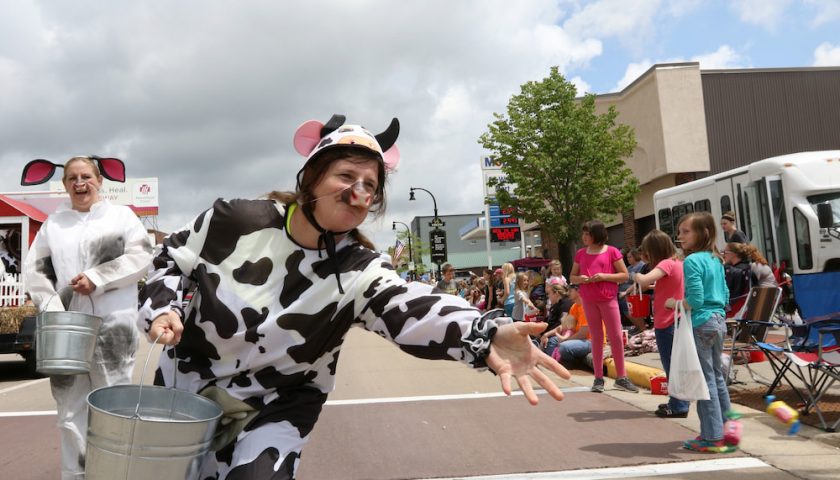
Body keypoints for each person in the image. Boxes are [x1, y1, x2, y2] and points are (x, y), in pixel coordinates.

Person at [137, 115, 571, 479]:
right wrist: (163, 310)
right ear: (310, 179)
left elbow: (409, 305)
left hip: (278, 405)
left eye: (370, 185)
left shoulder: (362, 269)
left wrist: (483, 332)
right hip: (189, 385)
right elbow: (170, 261)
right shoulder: (233, 220)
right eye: (346, 176)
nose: (359, 193)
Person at [22, 155, 154, 479]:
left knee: (113, 404)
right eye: (72, 178)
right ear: (64, 184)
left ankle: (115, 473)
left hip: (113, 325)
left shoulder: (121, 216)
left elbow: (142, 256)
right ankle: (75, 474)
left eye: (86, 176)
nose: (80, 183)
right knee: (69, 409)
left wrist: (98, 277)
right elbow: (34, 269)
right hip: (66, 329)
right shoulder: (55, 223)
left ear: (99, 180)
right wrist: (53, 310)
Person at [667, 212, 739, 453]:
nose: (680, 236)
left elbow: (696, 300)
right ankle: (728, 430)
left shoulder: (692, 261)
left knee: (704, 380)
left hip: (701, 322)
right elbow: (726, 295)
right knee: (717, 377)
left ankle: (711, 436)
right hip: (719, 320)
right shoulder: (716, 259)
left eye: (686, 231)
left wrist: (674, 304)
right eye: (680, 232)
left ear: (703, 233)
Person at [570, 220, 638, 393]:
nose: (584, 237)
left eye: (587, 234)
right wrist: (581, 279)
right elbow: (572, 277)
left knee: (615, 335)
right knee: (597, 337)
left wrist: (603, 276)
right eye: (584, 233)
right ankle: (598, 378)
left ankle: (621, 377)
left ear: (596, 235)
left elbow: (624, 275)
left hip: (608, 299)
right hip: (589, 299)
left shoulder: (612, 251)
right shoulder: (580, 254)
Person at [635, 229, 690, 419]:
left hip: (666, 322)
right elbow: (670, 285)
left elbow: (644, 279)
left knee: (671, 365)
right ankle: (676, 402)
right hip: (677, 320)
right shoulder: (678, 263)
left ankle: (679, 405)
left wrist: (634, 274)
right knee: (676, 363)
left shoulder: (666, 263)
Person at [539, 284, 591, 367]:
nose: (568, 293)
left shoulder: (587, 306)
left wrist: (566, 340)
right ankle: (554, 362)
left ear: (578, 291)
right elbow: (565, 325)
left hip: (590, 341)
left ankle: (569, 363)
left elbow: (583, 334)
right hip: (578, 339)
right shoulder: (574, 306)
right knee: (552, 340)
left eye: (570, 291)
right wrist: (546, 334)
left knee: (564, 347)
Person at [618, 248, 648, 334]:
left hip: (635, 292)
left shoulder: (641, 266)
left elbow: (637, 282)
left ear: (635, 256)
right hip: (625, 292)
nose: (628, 259)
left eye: (630, 257)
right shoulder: (629, 267)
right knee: (622, 303)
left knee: (627, 304)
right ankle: (637, 326)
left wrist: (626, 292)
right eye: (627, 257)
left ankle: (642, 327)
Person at [722, 243, 756, 317]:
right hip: (748, 308)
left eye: (725, 252)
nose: (724, 255)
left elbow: (730, 295)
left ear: (733, 254)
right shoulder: (748, 269)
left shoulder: (734, 271)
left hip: (735, 311)